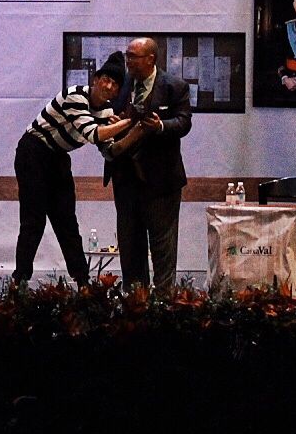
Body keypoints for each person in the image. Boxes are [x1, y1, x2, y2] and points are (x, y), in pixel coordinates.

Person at [10, 52, 142, 286]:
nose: (108, 86)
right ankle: (19, 280)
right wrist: (130, 121)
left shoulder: (108, 113)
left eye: (114, 84)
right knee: (34, 219)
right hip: (34, 151)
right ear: (95, 80)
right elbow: (93, 134)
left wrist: (137, 131)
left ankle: (83, 282)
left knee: (67, 222)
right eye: (105, 80)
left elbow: (110, 150)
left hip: (58, 157)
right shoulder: (75, 96)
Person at [104, 37, 192, 292]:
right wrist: (115, 120)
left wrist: (161, 126)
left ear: (151, 59)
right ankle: (135, 303)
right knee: (130, 247)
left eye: (134, 56)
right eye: (127, 55)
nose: (128, 61)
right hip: (125, 179)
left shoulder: (175, 86)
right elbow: (105, 114)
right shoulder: (120, 85)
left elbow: (184, 122)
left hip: (161, 182)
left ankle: (163, 304)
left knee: (163, 247)